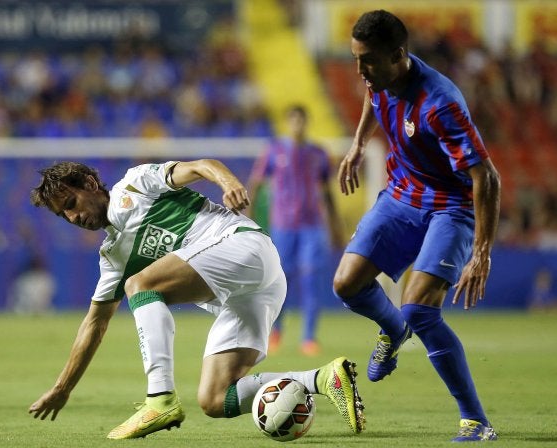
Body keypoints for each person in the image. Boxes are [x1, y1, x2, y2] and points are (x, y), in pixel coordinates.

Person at [27, 159, 365, 439]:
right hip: (248, 294)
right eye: (63, 215)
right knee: (215, 399)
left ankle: (159, 398)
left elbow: (202, 165)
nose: (73, 218)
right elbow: (95, 323)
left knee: (141, 285)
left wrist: (229, 182)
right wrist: (62, 388)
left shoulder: (136, 184)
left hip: (245, 246)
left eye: (70, 204)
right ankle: (323, 378)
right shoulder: (112, 256)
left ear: (89, 183)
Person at [333, 10, 501, 442]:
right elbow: (374, 96)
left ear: (399, 55)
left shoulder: (440, 103)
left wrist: (481, 252)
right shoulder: (380, 78)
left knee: (420, 308)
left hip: (450, 207)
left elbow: (487, 176)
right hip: (402, 194)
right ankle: (393, 331)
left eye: (367, 60)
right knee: (346, 284)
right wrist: (357, 145)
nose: (360, 70)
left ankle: (475, 420)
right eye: (356, 59)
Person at [248, 105, 344, 356]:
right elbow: (256, 184)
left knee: (312, 280)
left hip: (312, 225)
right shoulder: (274, 150)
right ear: (288, 124)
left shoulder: (319, 154)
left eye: (301, 121)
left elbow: (327, 191)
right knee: (281, 280)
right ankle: (276, 331)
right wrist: (248, 217)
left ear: (306, 123)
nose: (297, 126)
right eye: (293, 121)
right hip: (283, 224)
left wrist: (335, 225)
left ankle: (309, 338)